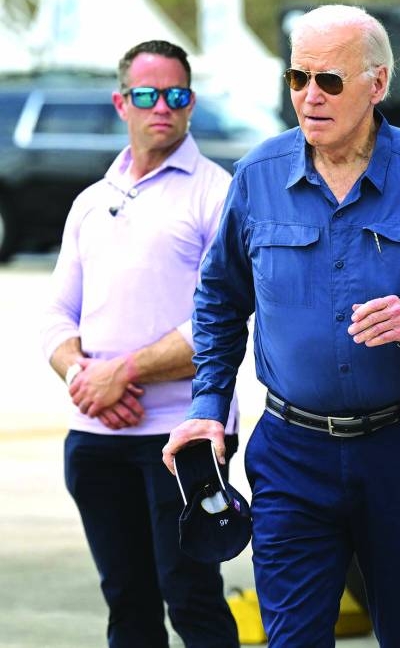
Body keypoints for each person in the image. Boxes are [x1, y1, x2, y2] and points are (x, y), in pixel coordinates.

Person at [160, 4, 400, 648]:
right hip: (290, 452)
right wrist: (208, 405)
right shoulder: (258, 176)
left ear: (378, 84)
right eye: (298, 79)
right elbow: (219, 300)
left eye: (329, 80)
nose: (310, 96)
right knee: (292, 637)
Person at [39, 40, 240, 647]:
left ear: (191, 103)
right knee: (126, 603)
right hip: (96, 438)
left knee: (193, 598)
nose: (162, 108)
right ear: (121, 102)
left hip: (184, 437)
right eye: (148, 95)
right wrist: (83, 375)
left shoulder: (216, 192)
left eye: (176, 96)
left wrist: (118, 373)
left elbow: (221, 320)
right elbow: (55, 314)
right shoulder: (92, 201)